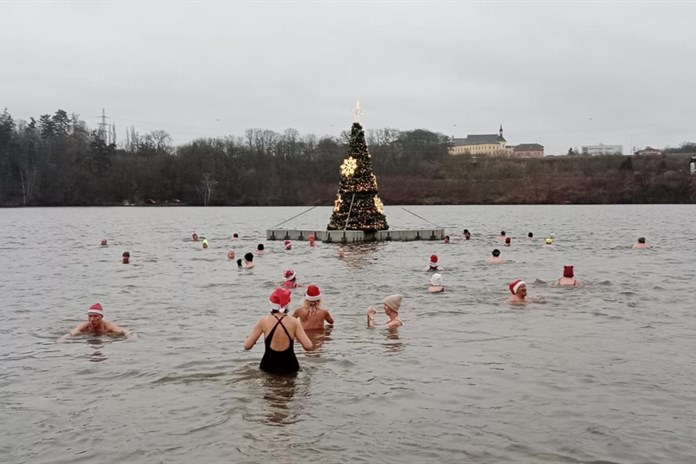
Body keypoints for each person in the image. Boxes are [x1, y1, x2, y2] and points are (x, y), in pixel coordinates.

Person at [244, 288, 313, 374]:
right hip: (290, 366)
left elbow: (247, 346)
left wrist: (249, 339)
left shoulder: (263, 321)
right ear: (288, 304)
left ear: (271, 304)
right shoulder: (294, 322)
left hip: (268, 366)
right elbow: (308, 346)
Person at [66, 303, 130, 337]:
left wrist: (131, 338)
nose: (92, 319)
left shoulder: (108, 326)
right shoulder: (85, 326)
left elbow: (125, 332)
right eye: (90, 316)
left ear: (101, 317)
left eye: (95, 316)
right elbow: (72, 333)